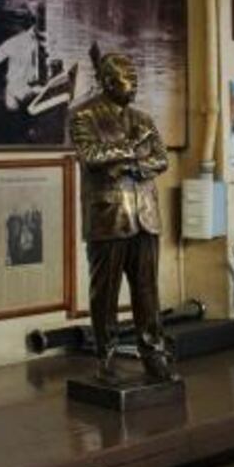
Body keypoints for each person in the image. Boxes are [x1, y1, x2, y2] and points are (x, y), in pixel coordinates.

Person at [69, 52, 175, 383]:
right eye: (128, 82)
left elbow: (161, 159)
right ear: (107, 83)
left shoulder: (143, 118)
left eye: (136, 82)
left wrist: (129, 165)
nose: (134, 88)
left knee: (147, 292)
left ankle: (153, 354)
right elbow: (91, 156)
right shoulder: (83, 115)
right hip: (108, 218)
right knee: (105, 294)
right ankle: (106, 357)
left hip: (146, 216)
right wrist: (132, 147)